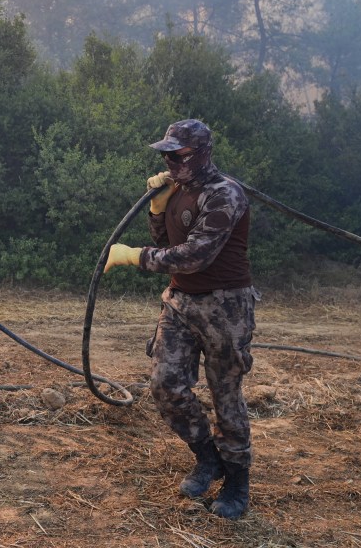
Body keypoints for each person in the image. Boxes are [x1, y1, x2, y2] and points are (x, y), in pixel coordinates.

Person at [104, 119, 257, 520]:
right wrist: (158, 207)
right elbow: (166, 245)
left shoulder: (225, 194)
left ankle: (237, 482)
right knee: (165, 385)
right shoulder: (177, 191)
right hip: (179, 303)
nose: (170, 162)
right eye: (166, 155)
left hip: (225, 308)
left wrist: (131, 256)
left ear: (203, 152)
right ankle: (207, 459)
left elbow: (194, 255)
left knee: (225, 395)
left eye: (179, 155)